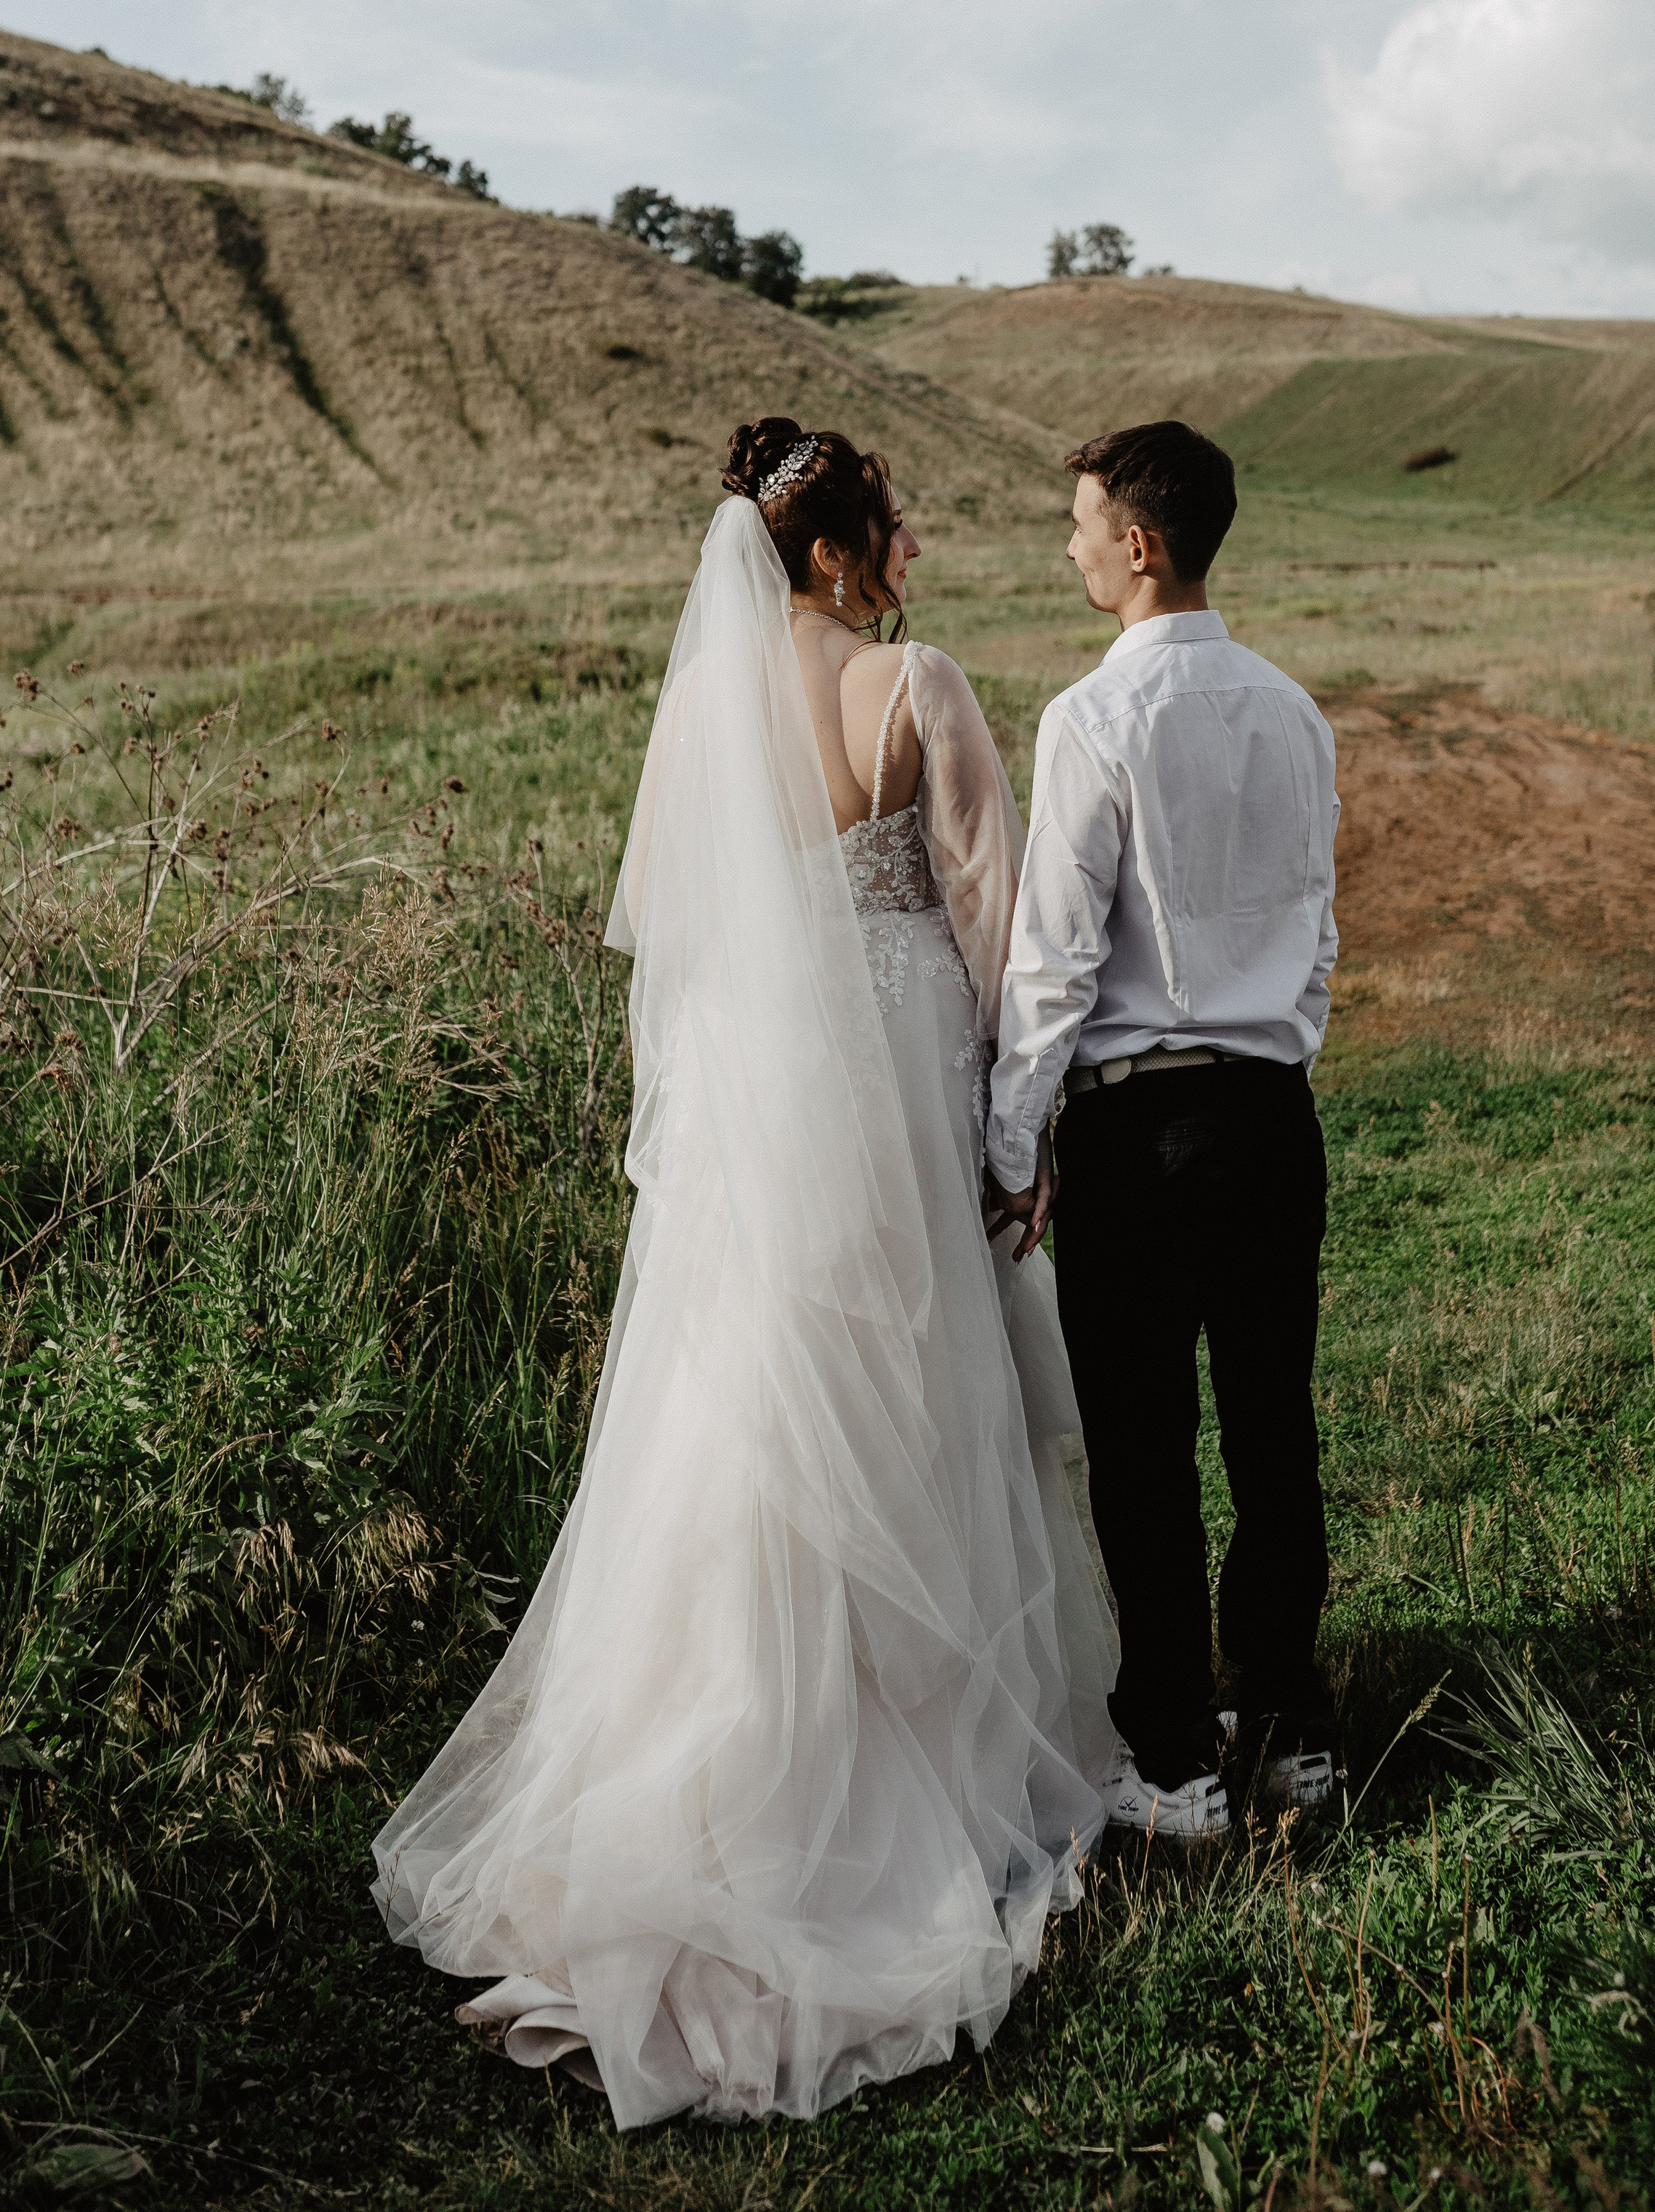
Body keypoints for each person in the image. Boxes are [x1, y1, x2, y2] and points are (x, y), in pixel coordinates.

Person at [371, 418, 1115, 2127]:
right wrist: (1023, 1137)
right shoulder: (911, 686)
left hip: (754, 1098)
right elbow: (995, 929)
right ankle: (905, 1761)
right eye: (895, 525)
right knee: (910, 1381)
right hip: (895, 1085)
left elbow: (675, 920)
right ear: (842, 547)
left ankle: (709, 1756)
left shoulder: (701, 705)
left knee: (747, 1397)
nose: (910, 550)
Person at [986, 419, 1339, 1841]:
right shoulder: (1290, 708)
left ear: (1137, 544)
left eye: (1080, 522)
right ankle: (1288, 1728)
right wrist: (1277, 1046)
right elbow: (1313, 933)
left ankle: (1177, 1760)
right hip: (1270, 1113)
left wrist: (1013, 1144)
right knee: (1270, 1430)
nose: (1068, 544)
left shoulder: (1090, 718)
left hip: (1140, 1131)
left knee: (1142, 1450)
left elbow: (1054, 962)